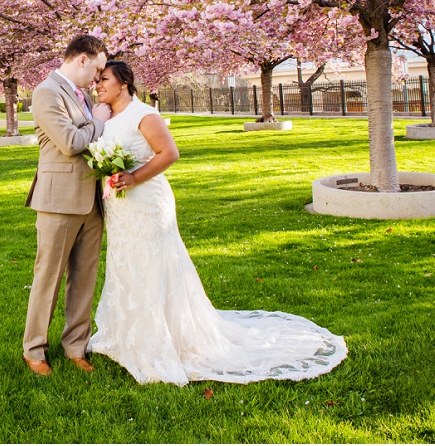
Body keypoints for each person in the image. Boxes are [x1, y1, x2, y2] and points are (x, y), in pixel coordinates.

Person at [87, 59, 348, 385]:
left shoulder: (144, 114)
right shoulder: (106, 117)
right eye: (97, 80)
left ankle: (162, 341)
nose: (98, 85)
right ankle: (126, 335)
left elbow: (169, 153)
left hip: (148, 204)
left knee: (151, 265)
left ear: (123, 82)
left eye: (104, 79)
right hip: (120, 208)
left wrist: (134, 177)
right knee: (126, 263)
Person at [22, 34, 110, 377]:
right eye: (98, 70)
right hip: (58, 201)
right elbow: (72, 142)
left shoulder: (84, 96)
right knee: (49, 278)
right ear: (82, 60)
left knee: (84, 279)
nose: (98, 79)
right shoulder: (46, 92)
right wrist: (99, 120)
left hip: (91, 199)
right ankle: (34, 350)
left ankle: (76, 345)